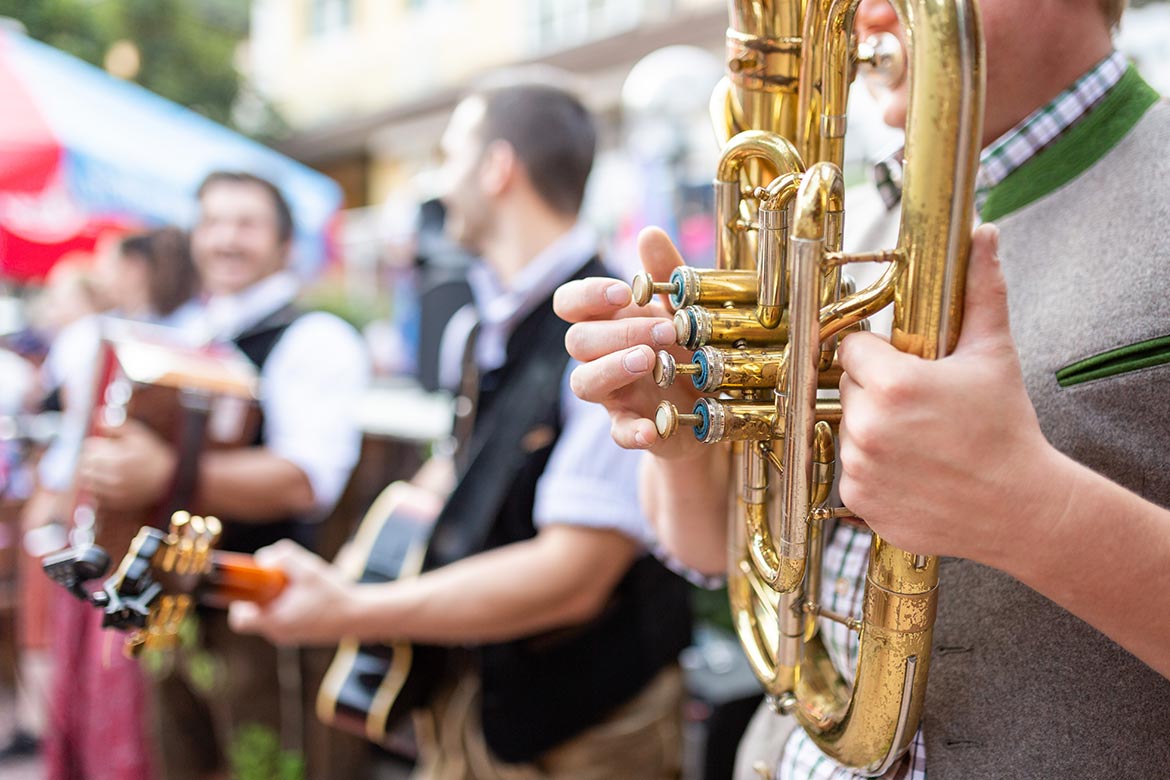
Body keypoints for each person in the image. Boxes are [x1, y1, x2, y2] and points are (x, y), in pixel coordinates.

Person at [553, 0, 1170, 778]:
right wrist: (687, 434)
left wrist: (1034, 509)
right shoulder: (861, 220)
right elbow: (716, 551)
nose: (868, 11)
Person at [229, 79, 693, 780]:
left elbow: (571, 577)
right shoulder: (479, 326)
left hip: (581, 731)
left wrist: (354, 606)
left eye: (449, 155)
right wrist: (362, 561)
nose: (438, 183)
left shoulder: (616, 332)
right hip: (476, 702)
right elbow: (472, 463)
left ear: (496, 168)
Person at [75, 173, 371, 780]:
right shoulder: (193, 336)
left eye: (247, 223)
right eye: (212, 222)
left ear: (286, 245)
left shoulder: (315, 337)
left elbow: (304, 481)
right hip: (174, 604)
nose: (226, 239)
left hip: (262, 608)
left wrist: (160, 475)